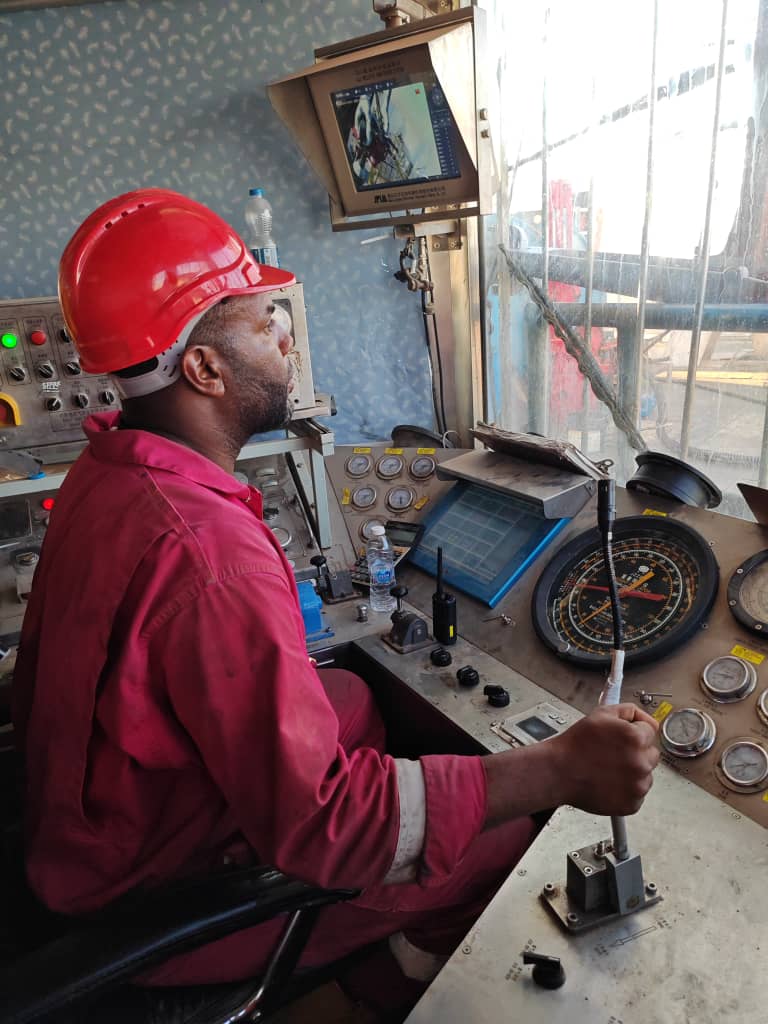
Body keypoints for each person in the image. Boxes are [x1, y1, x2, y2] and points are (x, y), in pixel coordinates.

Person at [12, 189, 660, 1020]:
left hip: (96, 828)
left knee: (349, 694)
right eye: (263, 324)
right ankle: (385, 984)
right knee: (507, 840)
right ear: (204, 370)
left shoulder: (110, 475)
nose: (286, 338)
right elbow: (319, 828)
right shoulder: (210, 555)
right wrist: (558, 769)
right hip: (157, 892)